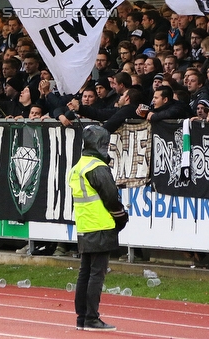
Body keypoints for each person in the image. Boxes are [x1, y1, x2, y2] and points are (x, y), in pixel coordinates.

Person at [69, 126, 128, 332]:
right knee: (96, 274)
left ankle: (82, 318)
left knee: (85, 273)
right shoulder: (97, 167)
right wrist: (121, 216)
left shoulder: (79, 166)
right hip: (101, 224)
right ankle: (92, 318)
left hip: (85, 225)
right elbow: (111, 196)